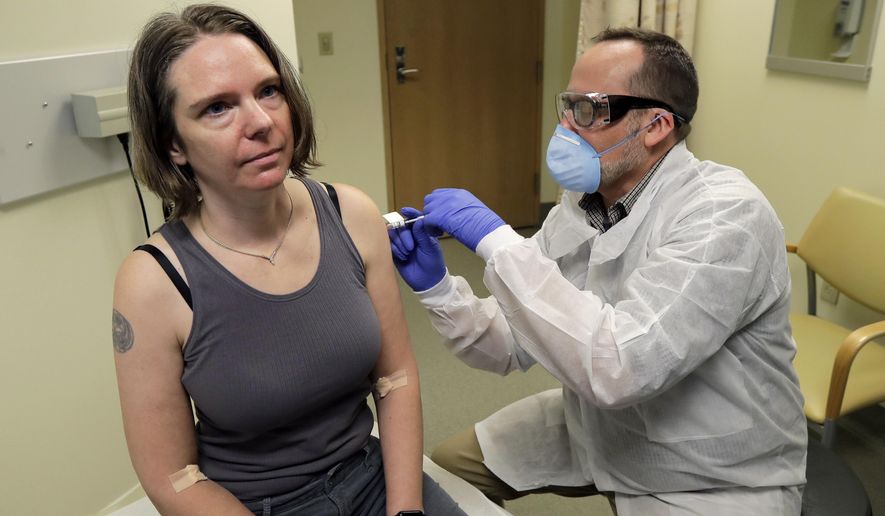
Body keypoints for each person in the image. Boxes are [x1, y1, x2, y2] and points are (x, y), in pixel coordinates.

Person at [389, 27, 807, 515]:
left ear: (656, 126)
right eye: (566, 106)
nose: (565, 127)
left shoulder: (724, 215)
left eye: (589, 110)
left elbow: (621, 368)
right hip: (598, 427)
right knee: (448, 470)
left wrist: (499, 243)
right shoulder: (583, 204)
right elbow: (510, 342)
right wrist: (439, 290)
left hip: (707, 469)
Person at [112, 4, 465, 515]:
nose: (261, 122)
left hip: (374, 475)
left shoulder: (351, 214)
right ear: (173, 144)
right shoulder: (152, 282)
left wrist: (405, 509)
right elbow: (174, 478)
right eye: (217, 107)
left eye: (268, 91)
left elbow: (397, 379)